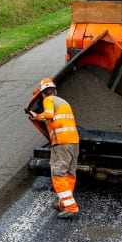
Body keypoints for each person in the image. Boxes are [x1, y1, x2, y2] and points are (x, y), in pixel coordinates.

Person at [28, 78, 80, 219]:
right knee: (69, 174)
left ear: (43, 94)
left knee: (58, 174)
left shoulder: (48, 100)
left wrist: (37, 116)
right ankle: (64, 203)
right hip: (74, 142)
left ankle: (70, 207)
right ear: (55, 91)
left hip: (61, 143)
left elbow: (49, 115)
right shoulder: (64, 102)